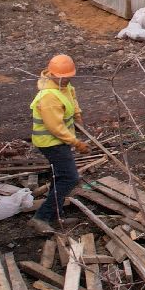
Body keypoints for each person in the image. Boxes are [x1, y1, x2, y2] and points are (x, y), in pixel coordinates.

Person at [30, 53, 87, 232]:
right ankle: (41, 217)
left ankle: (56, 214)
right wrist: (76, 143)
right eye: (63, 77)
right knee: (70, 178)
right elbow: (55, 128)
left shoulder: (64, 85)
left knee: (61, 176)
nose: (67, 80)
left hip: (59, 140)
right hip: (50, 142)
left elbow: (71, 97)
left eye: (69, 77)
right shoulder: (48, 97)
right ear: (53, 74)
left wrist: (77, 115)